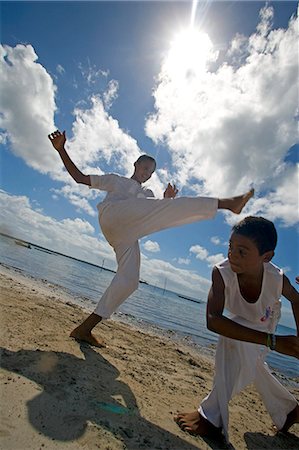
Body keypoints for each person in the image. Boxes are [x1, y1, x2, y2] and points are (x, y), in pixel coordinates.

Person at [48, 129, 254, 348]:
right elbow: (79, 177)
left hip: (124, 235)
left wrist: (167, 201)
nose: (147, 173)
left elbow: (153, 213)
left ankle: (85, 328)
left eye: (151, 172)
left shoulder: (147, 195)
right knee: (163, 206)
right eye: (145, 167)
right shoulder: (116, 181)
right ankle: (226, 203)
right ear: (135, 165)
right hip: (112, 215)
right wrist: (61, 149)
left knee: (129, 281)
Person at [175, 216, 299, 442]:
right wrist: (275, 342)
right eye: (230, 247)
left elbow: (297, 300)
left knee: (238, 346)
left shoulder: (277, 279)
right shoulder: (221, 273)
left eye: (242, 251)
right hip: (257, 329)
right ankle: (289, 410)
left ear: (266, 257)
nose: (232, 254)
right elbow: (213, 320)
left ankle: (211, 418)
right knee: (242, 352)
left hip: (266, 320)